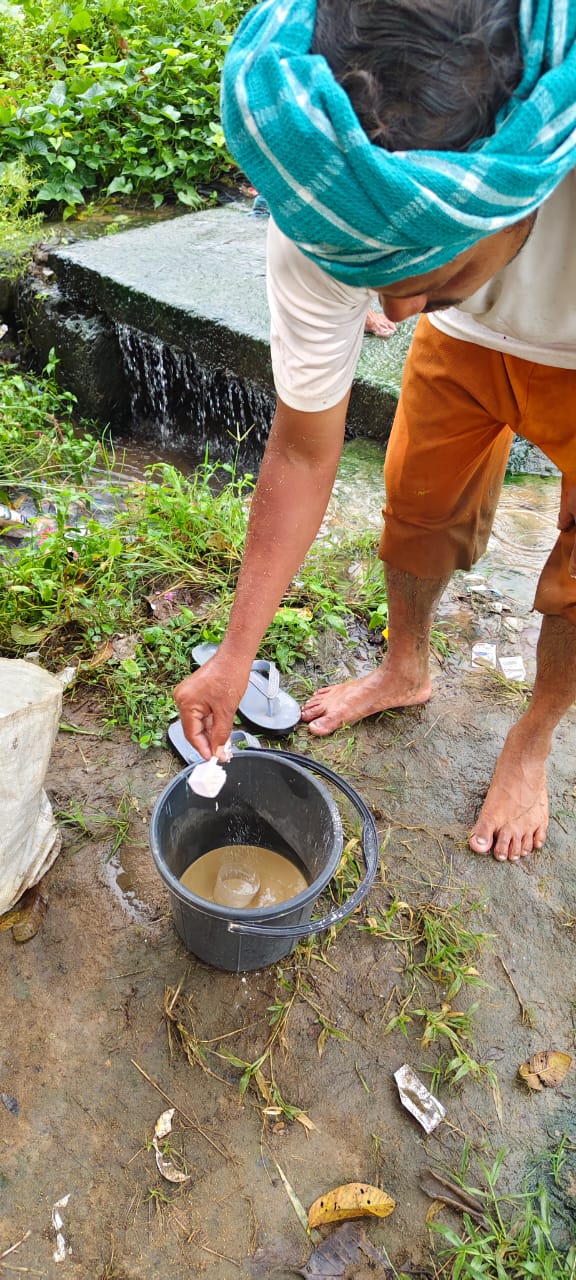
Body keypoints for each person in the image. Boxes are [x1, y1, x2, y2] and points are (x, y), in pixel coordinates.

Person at [175, 0, 576, 865]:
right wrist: (234, 655)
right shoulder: (330, 198)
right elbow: (302, 447)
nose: (392, 310)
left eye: (429, 277)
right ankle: (406, 668)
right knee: (418, 502)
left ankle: (535, 736)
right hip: (470, 341)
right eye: (371, 281)